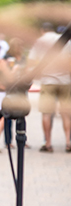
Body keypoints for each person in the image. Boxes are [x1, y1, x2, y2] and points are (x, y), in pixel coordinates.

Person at [28, 22, 71, 153]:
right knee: (66, 113)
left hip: (48, 80)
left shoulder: (40, 41)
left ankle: (48, 143)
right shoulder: (65, 40)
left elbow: (31, 61)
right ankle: (68, 142)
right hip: (65, 80)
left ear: (42, 30)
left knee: (46, 113)